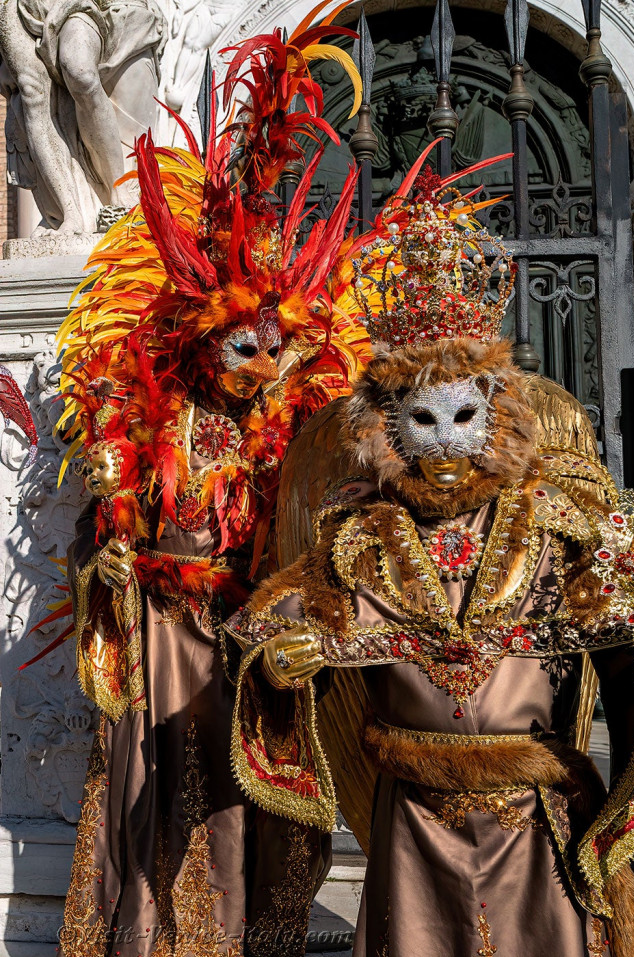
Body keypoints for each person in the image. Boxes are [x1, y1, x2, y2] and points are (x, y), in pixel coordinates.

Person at [227, 158, 634, 956]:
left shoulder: (560, 522)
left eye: (464, 414)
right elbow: (268, 631)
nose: (446, 442)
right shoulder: (358, 535)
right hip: (411, 822)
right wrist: (281, 666)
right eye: (422, 418)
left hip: (537, 826)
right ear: (386, 422)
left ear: (500, 409)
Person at [48, 14, 368, 955]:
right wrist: (110, 556)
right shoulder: (157, 417)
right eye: (242, 343)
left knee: (247, 809)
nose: (258, 363)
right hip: (167, 639)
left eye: (277, 347)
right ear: (202, 335)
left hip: (251, 642)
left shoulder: (296, 435)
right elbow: (113, 527)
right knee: (160, 801)